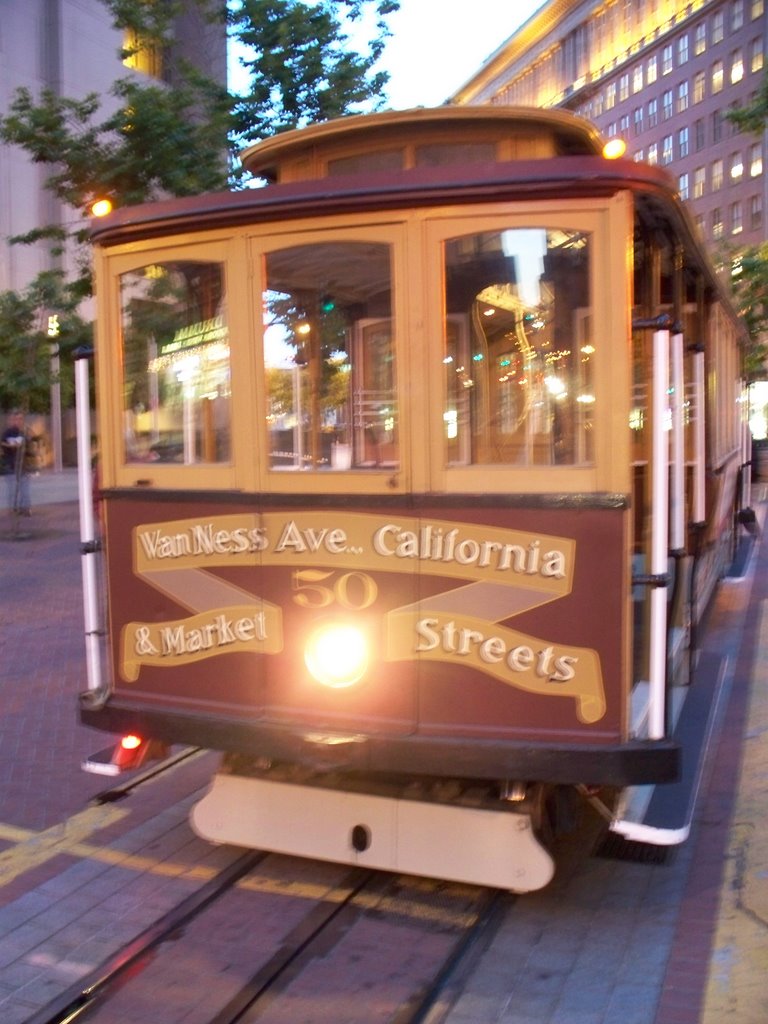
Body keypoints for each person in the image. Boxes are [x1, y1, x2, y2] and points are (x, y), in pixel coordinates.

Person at [2, 409, 32, 515]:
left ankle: (25, 508)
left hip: (23, 464)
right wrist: (10, 446)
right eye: (16, 419)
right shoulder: (7, 432)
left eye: (20, 419)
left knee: (24, 487)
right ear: (12, 420)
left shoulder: (25, 432)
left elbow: (28, 447)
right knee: (13, 488)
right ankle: (15, 508)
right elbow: (3, 444)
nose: (18, 421)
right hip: (11, 464)